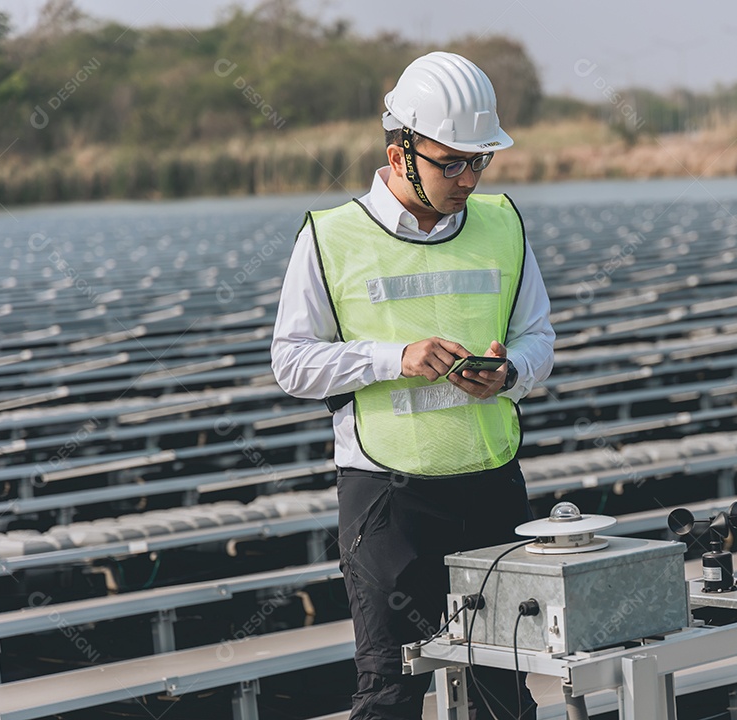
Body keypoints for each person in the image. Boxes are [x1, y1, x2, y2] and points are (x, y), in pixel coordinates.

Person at [271, 51, 554, 719]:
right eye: (450, 162)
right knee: (392, 690)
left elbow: (539, 338)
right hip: (387, 500)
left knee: (506, 686)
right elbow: (292, 363)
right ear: (399, 153)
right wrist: (392, 357)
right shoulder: (330, 237)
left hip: (490, 484)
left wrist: (509, 372)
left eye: (479, 160)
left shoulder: (503, 224)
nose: (468, 178)